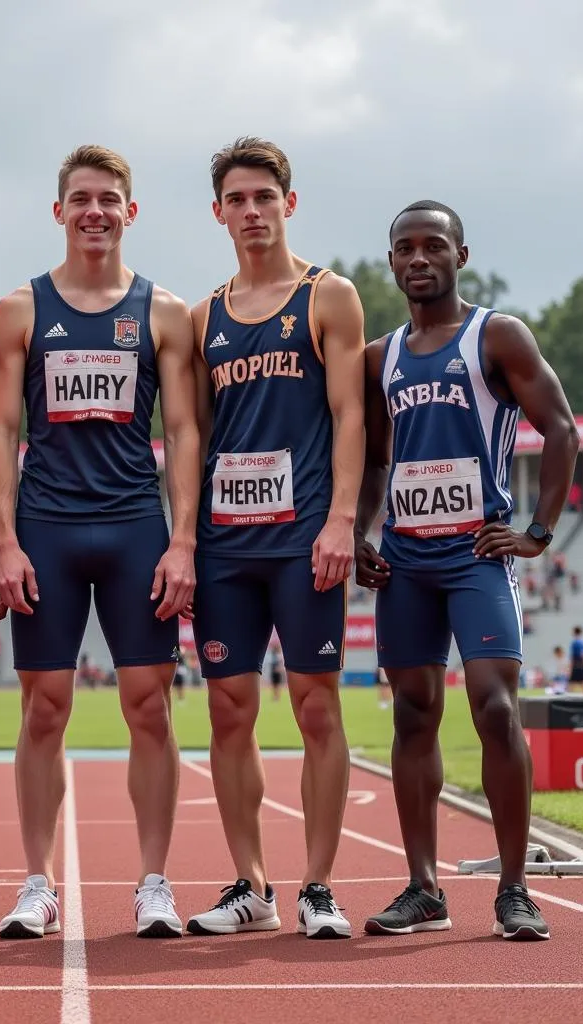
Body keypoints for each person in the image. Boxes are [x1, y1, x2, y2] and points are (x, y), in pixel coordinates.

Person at [0, 145, 200, 939]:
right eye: (81, 199)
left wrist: (182, 542)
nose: (95, 212)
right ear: (60, 211)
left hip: (135, 525)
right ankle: (36, 883)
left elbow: (181, 431)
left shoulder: (163, 312)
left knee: (150, 707)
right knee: (44, 708)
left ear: (130, 212)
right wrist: (3, 540)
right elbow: (0, 427)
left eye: (109, 199)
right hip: (47, 527)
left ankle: (154, 882)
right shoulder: (21, 311)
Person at [355, 201, 579, 941]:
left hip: (475, 553)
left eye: (434, 246)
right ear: (391, 262)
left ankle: (515, 887)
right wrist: (363, 531)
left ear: (461, 254)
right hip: (408, 560)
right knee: (415, 713)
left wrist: (538, 531)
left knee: (494, 707)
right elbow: (376, 458)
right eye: (405, 248)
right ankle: (424, 887)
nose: (419, 259)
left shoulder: (497, 335)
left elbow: (560, 428)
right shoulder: (378, 356)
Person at [185, 137, 366, 940]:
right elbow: (190, 434)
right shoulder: (203, 318)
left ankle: (318, 885)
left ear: (288, 204)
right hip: (227, 543)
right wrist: (185, 540)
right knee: (230, 709)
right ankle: (249, 884)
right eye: (237, 199)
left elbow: (351, 415)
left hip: (304, 537)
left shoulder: (329, 297)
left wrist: (340, 521)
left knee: (315, 705)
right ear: (218, 212)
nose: (252, 211)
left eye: (265, 197)